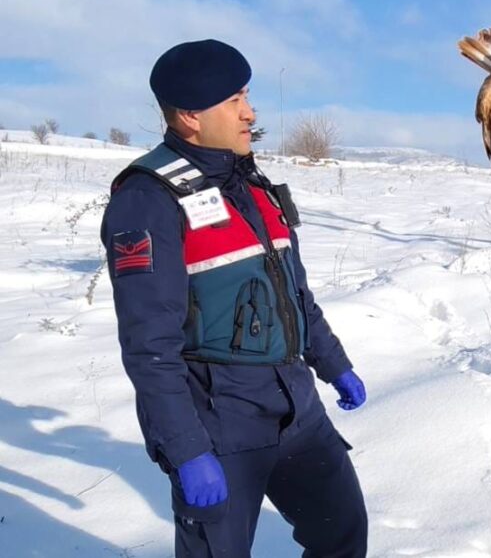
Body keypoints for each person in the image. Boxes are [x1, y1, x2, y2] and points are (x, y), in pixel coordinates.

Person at [101, 39, 369, 557]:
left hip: (297, 409)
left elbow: (294, 293)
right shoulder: (148, 199)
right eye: (234, 101)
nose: (250, 112)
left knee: (342, 535)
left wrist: (333, 364)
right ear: (190, 116)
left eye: (247, 95)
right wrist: (187, 450)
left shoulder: (251, 184)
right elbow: (148, 346)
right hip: (219, 423)